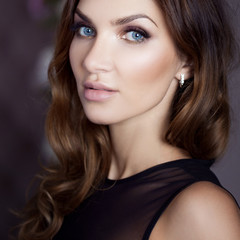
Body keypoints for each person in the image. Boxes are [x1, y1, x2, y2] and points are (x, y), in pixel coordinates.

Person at [18, 0, 240, 239]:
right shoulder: (75, 183)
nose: (92, 61)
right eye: (86, 29)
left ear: (188, 60)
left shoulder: (201, 212)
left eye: (134, 34)